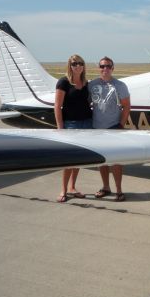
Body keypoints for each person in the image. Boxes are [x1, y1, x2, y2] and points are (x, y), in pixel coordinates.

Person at [89, 56, 131, 201]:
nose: (105, 69)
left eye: (108, 66)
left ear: (113, 68)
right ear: (99, 68)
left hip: (113, 127)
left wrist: (121, 125)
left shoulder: (120, 85)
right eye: (102, 66)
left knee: (116, 161)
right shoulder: (92, 84)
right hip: (97, 128)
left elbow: (126, 106)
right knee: (102, 160)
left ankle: (119, 190)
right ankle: (106, 187)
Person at [54, 54, 92, 202]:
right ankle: (63, 190)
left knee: (79, 158)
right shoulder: (63, 82)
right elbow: (57, 106)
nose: (78, 66)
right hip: (71, 124)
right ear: (69, 66)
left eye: (80, 63)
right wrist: (60, 128)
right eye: (74, 64)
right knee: (70, 159)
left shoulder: (85, 83)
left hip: (86, 123)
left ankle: (72, 187)